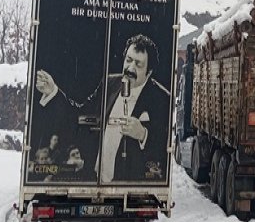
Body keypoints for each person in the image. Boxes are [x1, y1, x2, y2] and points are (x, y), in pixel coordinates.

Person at [35, 34, 171, 183]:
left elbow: (165, 146)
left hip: (130, 186)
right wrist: (54, 92)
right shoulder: (110, 83)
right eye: (128, 60)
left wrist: (143, 135)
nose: (130, 68)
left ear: (149, 72)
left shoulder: (161, 98)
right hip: (94, 179)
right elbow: (80, 115)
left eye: (138, 65)